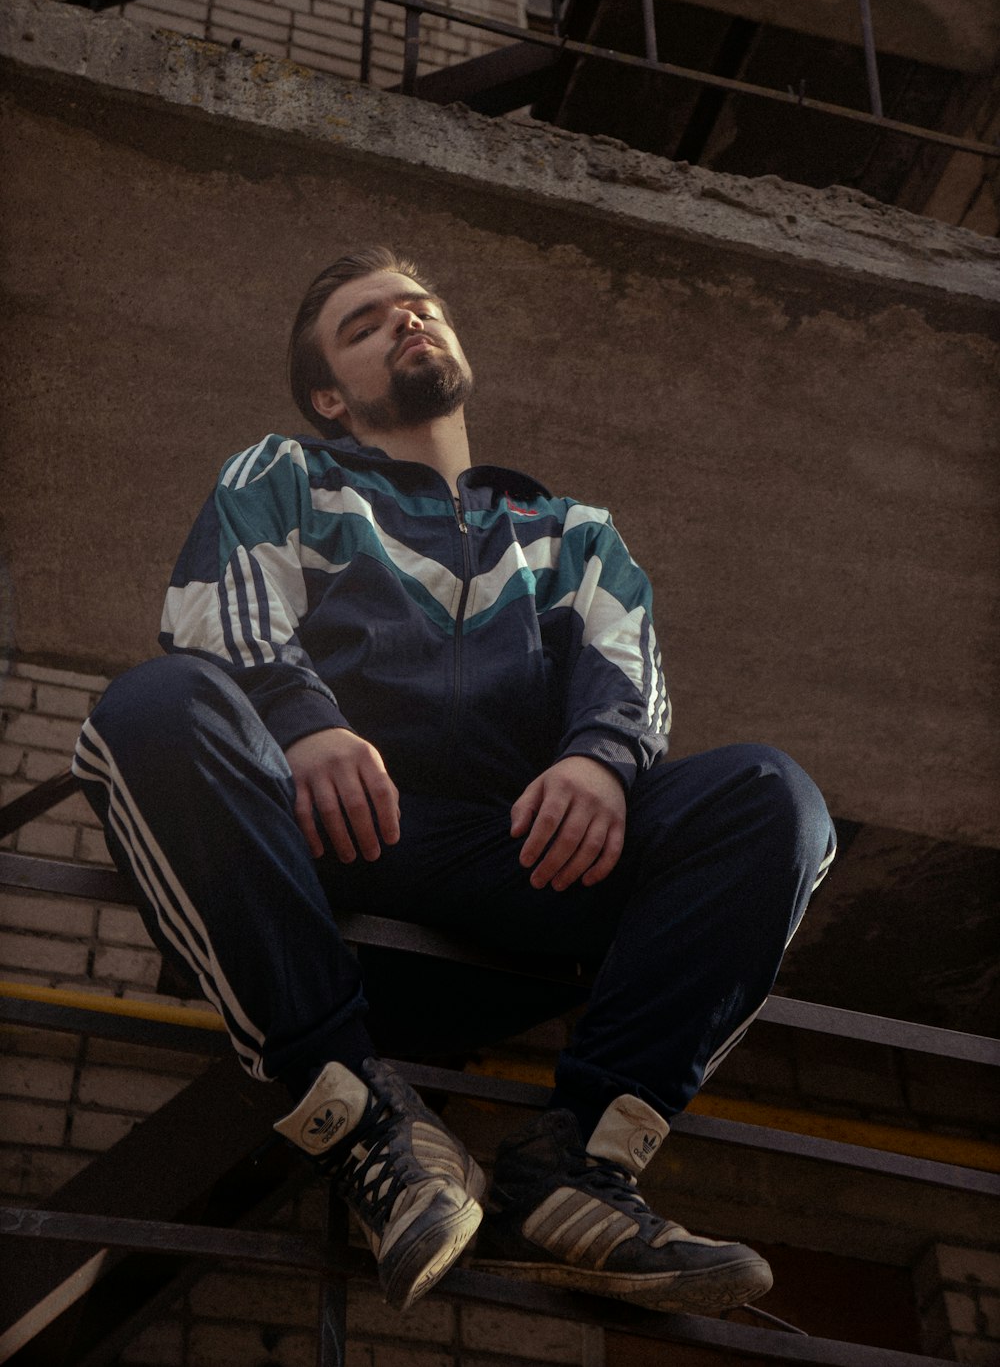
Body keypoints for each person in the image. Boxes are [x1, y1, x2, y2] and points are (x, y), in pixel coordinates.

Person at [73, 247, 835, 1316]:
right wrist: (303, 726)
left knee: (770, 797)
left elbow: (629, 679)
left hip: (513, 865)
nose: (406, 322)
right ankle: (358, 1118)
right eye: (366, 322)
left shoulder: (574, 535)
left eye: (417, 307)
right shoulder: (284, 476)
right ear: (329, 394)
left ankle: (574, 1162)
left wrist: (597, 762)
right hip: (311, 857)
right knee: (148, 708)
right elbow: (219, 616)